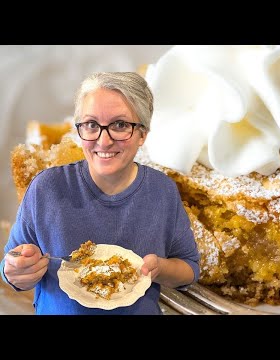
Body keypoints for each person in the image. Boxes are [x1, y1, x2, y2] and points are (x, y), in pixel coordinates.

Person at [0, 72, 200, 315]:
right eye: (92, 125)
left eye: (120, 125)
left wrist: (160, 268)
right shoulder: (47, 188)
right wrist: (18, 271)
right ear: (79, 129)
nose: (103, 142)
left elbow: (188, 269)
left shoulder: (161, 191)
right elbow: (10, 267)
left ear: (142, 134)